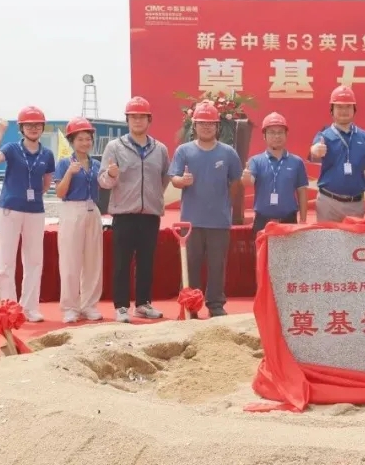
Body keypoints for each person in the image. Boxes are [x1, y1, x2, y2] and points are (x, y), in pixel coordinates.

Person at [98, 96, 171, 324]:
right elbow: (103, 181)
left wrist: (152, 197)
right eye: (133, 117)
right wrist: (111, 175)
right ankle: (121, 306)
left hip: (150, 214)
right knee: (121, 262)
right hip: (124, 214)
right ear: (127, 120)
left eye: (142, 117)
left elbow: (164, 178)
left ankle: (143, 304)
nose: (137, 121)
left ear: (149, 120)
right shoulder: (114, 147)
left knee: (147, 261)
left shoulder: (160, 149)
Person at [169, 100, 243, 318]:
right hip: (191, 221)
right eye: (202, 123)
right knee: (191, 265)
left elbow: (236, 182)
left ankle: (216, 304)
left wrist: (225, 205)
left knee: (217, 265)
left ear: (218, 126)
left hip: (219, 220)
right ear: (194, 126)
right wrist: (182, 181)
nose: (207, 127)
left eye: (211, 123)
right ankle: (190, 305)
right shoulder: (184, 151)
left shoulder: (228, 153)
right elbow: (174, 179)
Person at [0, 106, 56, 323]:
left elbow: (46, 182)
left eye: (37, 125)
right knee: (6, 261)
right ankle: (8, 308)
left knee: (34, 261)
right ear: (21, 128)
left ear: (42, 127)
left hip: (35, 211)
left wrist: (32, 196)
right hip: (9, 209)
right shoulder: (12, 148)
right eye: (28, 125)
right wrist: (0, 132)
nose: (33, 128)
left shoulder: (47, 154)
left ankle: (30, 308)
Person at [54, 118, 104, 324]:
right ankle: (70, 307)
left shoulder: (97, 164)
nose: (85, 143)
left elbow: (105, 184)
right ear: (72, 141)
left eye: (88, 138)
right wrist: (69, 173)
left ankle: (89, 305)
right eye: (80, 139)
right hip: (72, 210)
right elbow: (59, 192)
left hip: (93, 211)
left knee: (93, 261)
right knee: (70, 260)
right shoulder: (64, 163)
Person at [309, 85, 365, 222]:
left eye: (348, 107)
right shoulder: (324, 136)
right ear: (332, 110)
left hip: (355, 205)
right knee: (327, 237)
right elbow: (314, 151)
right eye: (339, 107)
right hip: (328, 203)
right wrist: (315, 150)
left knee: (353, 237)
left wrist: (358, 186)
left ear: (354, 109)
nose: (344, 111)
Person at [243, 111, 309, 234]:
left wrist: (303, 220)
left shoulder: (297, 162)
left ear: (286, 135)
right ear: (264, 136)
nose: (277, 136)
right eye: (272, 132)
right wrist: (246, 178)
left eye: (280, 132)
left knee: (289, 248)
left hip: (289, 221)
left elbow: (302, 191)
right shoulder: (255, 161)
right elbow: (249, 181)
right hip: (262, 222)